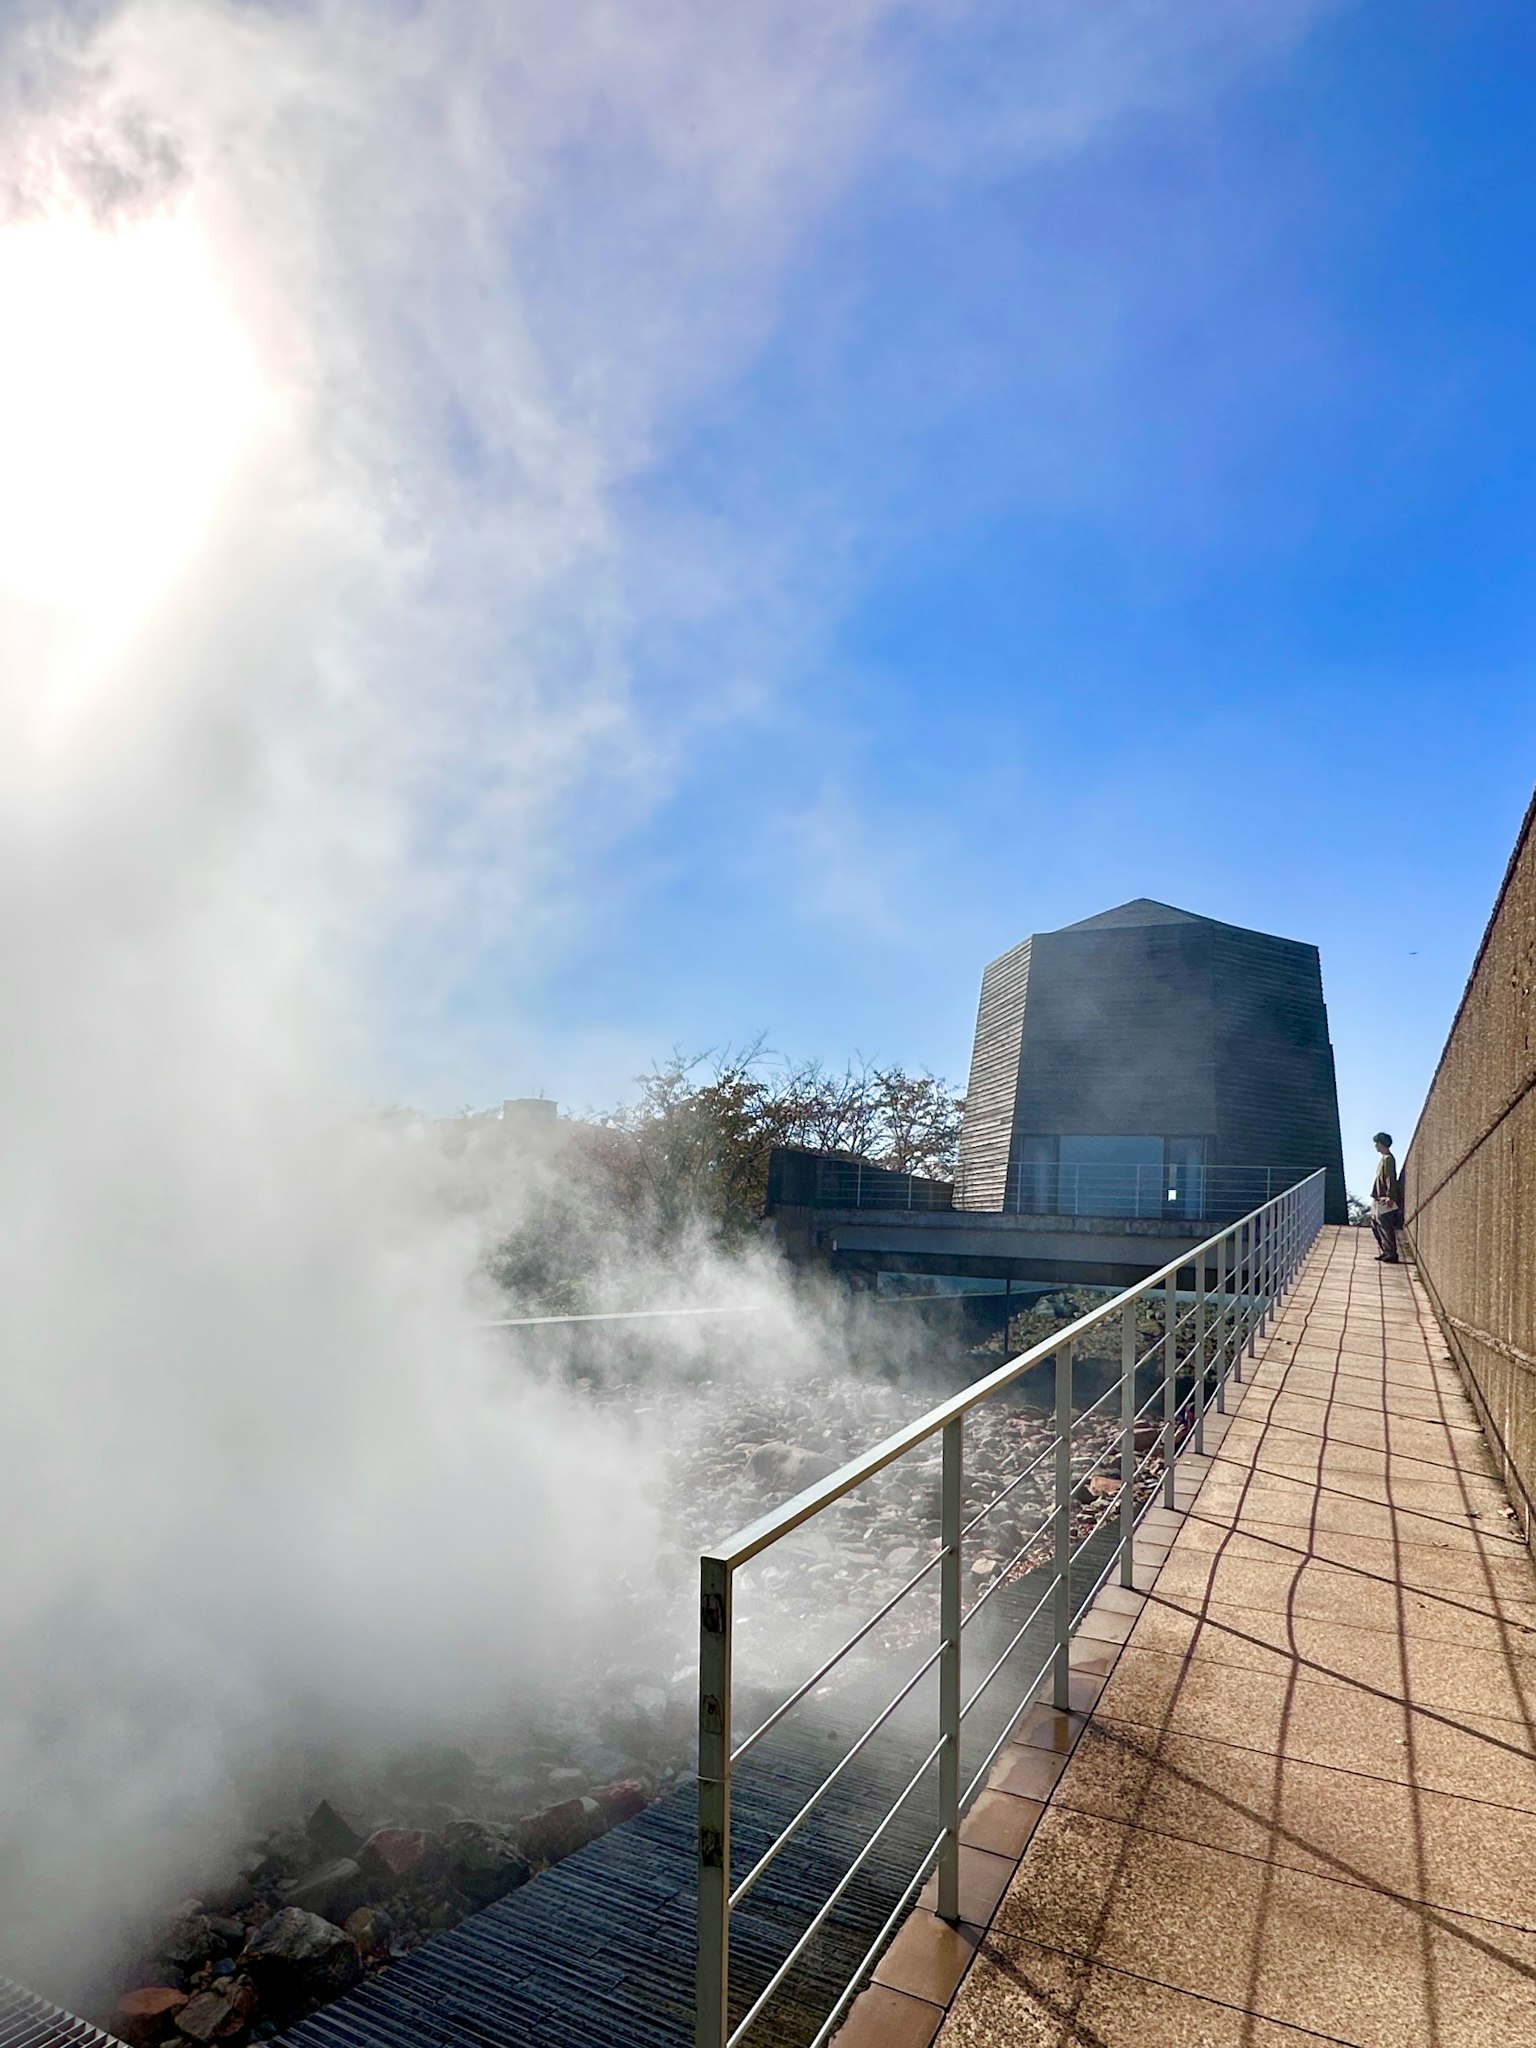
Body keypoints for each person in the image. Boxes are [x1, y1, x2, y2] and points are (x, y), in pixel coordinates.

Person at [1370, 1132, 1402, 1263]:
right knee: (1376, 1224)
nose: (1375, 1146)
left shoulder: (1388, 1159)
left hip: (1386, 1198)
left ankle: (1391, 1253)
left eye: (1376, 1143)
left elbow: (1390, 1177)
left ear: (1381, 1144)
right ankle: (1386, 1251)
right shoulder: (1384, 1159)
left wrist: (1389, 1196)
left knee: (1385, 1225)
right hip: (1379, 1197)